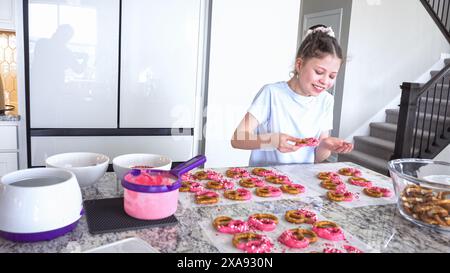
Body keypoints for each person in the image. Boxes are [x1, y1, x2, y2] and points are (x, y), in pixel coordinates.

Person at [231, 24, 353, 166]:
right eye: (319, 72)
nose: (325, 81)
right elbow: (237, 138)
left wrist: (326, 145)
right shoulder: (271, 93)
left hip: (299, 182)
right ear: (299, 65)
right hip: (264, 181)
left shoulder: (326, 100)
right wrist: (273, 141)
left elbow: (317, 158)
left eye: (332, 76)